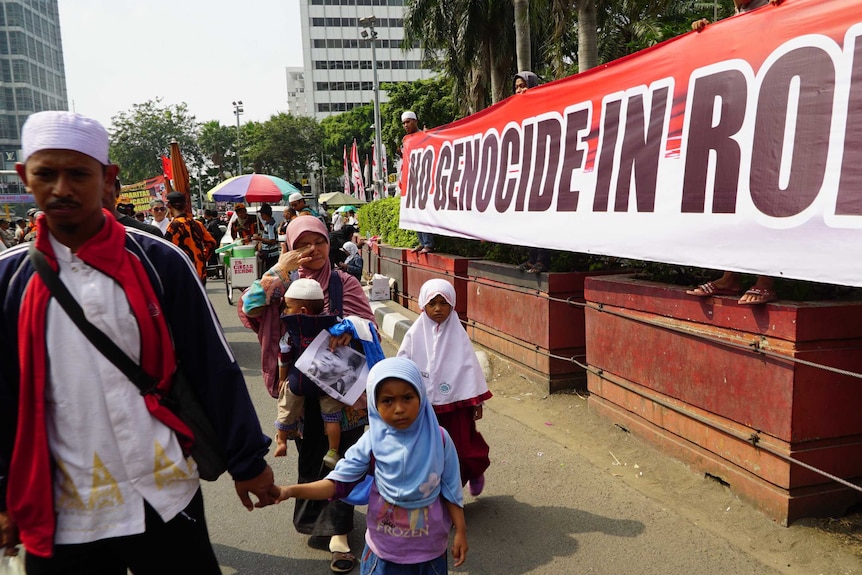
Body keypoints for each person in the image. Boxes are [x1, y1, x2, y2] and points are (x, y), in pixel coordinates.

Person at [0, 110, 278, 573]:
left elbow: (214, 366)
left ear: (108, 179)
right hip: (63, 505)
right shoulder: (10, 280)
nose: (62, 189)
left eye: (79, 174)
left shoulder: (159, 262)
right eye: (46, 174)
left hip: (163, 490)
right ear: (24, 177)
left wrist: (247, 461)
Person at [238, 215, 375, 573]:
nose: (312, 250)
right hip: (300, 392)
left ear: (330, 243)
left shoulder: (344, 283)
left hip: (343, 391)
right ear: (289, 248)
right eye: (302, 244)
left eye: (319, 242)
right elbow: (249, 309)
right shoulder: (283, 286)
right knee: (312, 454)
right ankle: (317, 518)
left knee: (344, 456)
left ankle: (339, 534)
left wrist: (349, 331)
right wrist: (278, 272)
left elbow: (370, 326)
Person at [274, 356, 468, 574]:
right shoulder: (372, 441)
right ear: (374, 405)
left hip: (430, 554)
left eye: (407, 397)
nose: (399, 409)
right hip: (383, 554)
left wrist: (460, 530)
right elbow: (336, 483)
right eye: (387, 401)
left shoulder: (439, 439)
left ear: (421, 396)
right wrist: (289, 491)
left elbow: (451, 489)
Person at [687, 0, 782, 305]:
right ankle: (730, 277)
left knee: (764, 197)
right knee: (731, 201)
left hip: (770, 118)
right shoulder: (732, 22)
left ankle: (765, 279)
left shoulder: (777, 9)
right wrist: (707, 35)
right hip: (734, 122)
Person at [397, 278, 492, 497]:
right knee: (429, 453)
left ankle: (475, 471)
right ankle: (445, 500)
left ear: (452, 305)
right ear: (423, 305)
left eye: (443, 303)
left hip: (457, 405)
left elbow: (470, 369)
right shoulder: (415, 334)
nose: (438, 309)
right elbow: (402, 363)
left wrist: (477, 401)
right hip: (424, 406)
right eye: (432, 303)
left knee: (463, 451)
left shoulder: (458, 335)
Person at [274, 278, 348, 471]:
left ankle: (281, 441)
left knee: (286, 407)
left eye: (288, 307)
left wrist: (283, 378)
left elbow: (284, 354)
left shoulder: (293, 329)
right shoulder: (333, 324)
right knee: (332, 417)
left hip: (299, 380)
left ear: (302, 311)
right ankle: (333, 451)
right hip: (326, 381)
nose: (285, 311)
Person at [512, 71, 552, 274]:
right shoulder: (515, 112)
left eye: (523, 85)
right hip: (525, 173)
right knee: (528, 219)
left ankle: (543, 260)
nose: (520, 90)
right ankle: (531, 257)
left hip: (541, 171)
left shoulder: (544, 106)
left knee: (540, 217)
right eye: (516, 87)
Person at [164, 191, 217, 284]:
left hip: (184, 274)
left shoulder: (174, 226)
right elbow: (211, 243)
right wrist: (202, 258)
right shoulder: (197, 224)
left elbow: (168, 251)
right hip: (200, 273)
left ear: (169, 206)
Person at [402, 110, 435, 255]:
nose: (406, 125)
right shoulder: (407, 140)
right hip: (413, 182)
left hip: (425, 180)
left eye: (408, 122)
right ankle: (422, 242)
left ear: (415, 121)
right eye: (403, 123)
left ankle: (428, 243)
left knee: (424, 213)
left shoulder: (424, 136)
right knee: (416, 213)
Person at [253, 202, 281, 274]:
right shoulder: (268, 223)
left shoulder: (270, 225)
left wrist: (259, 239)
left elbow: (272, 241)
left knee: (270, 274)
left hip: (271, 254)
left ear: (265, 214)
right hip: (269, 253)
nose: (261, 216)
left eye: (261, 214)